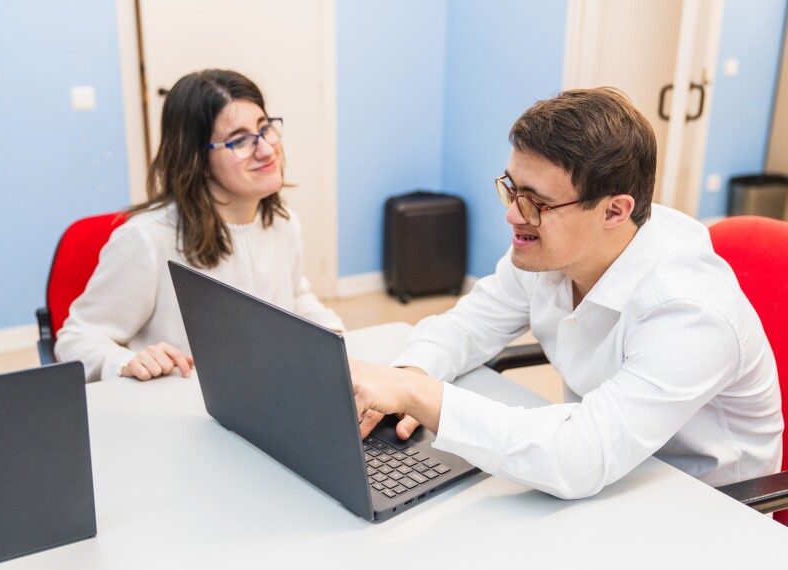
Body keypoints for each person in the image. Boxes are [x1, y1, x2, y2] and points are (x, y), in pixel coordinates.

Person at [351, 87, 783, 499]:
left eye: (535, 202)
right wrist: (411, 374)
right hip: (612, 474)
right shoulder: (553, 249)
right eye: (512, 188)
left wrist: (418, 397)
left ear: (615, 210)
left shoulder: (689, 308)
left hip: (707, 506)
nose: (511, 214)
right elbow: (470, 324)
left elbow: (579, 457)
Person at [56, 69, 344, 383]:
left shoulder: (281, 221)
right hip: (179, 406)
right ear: (197, 160)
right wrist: (124, 361)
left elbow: (294, 297)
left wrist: (335, 336)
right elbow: (75, 339)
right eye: (241, 140)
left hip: (263, 391)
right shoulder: (147, 239)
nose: (265, 149)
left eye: (265, 129)